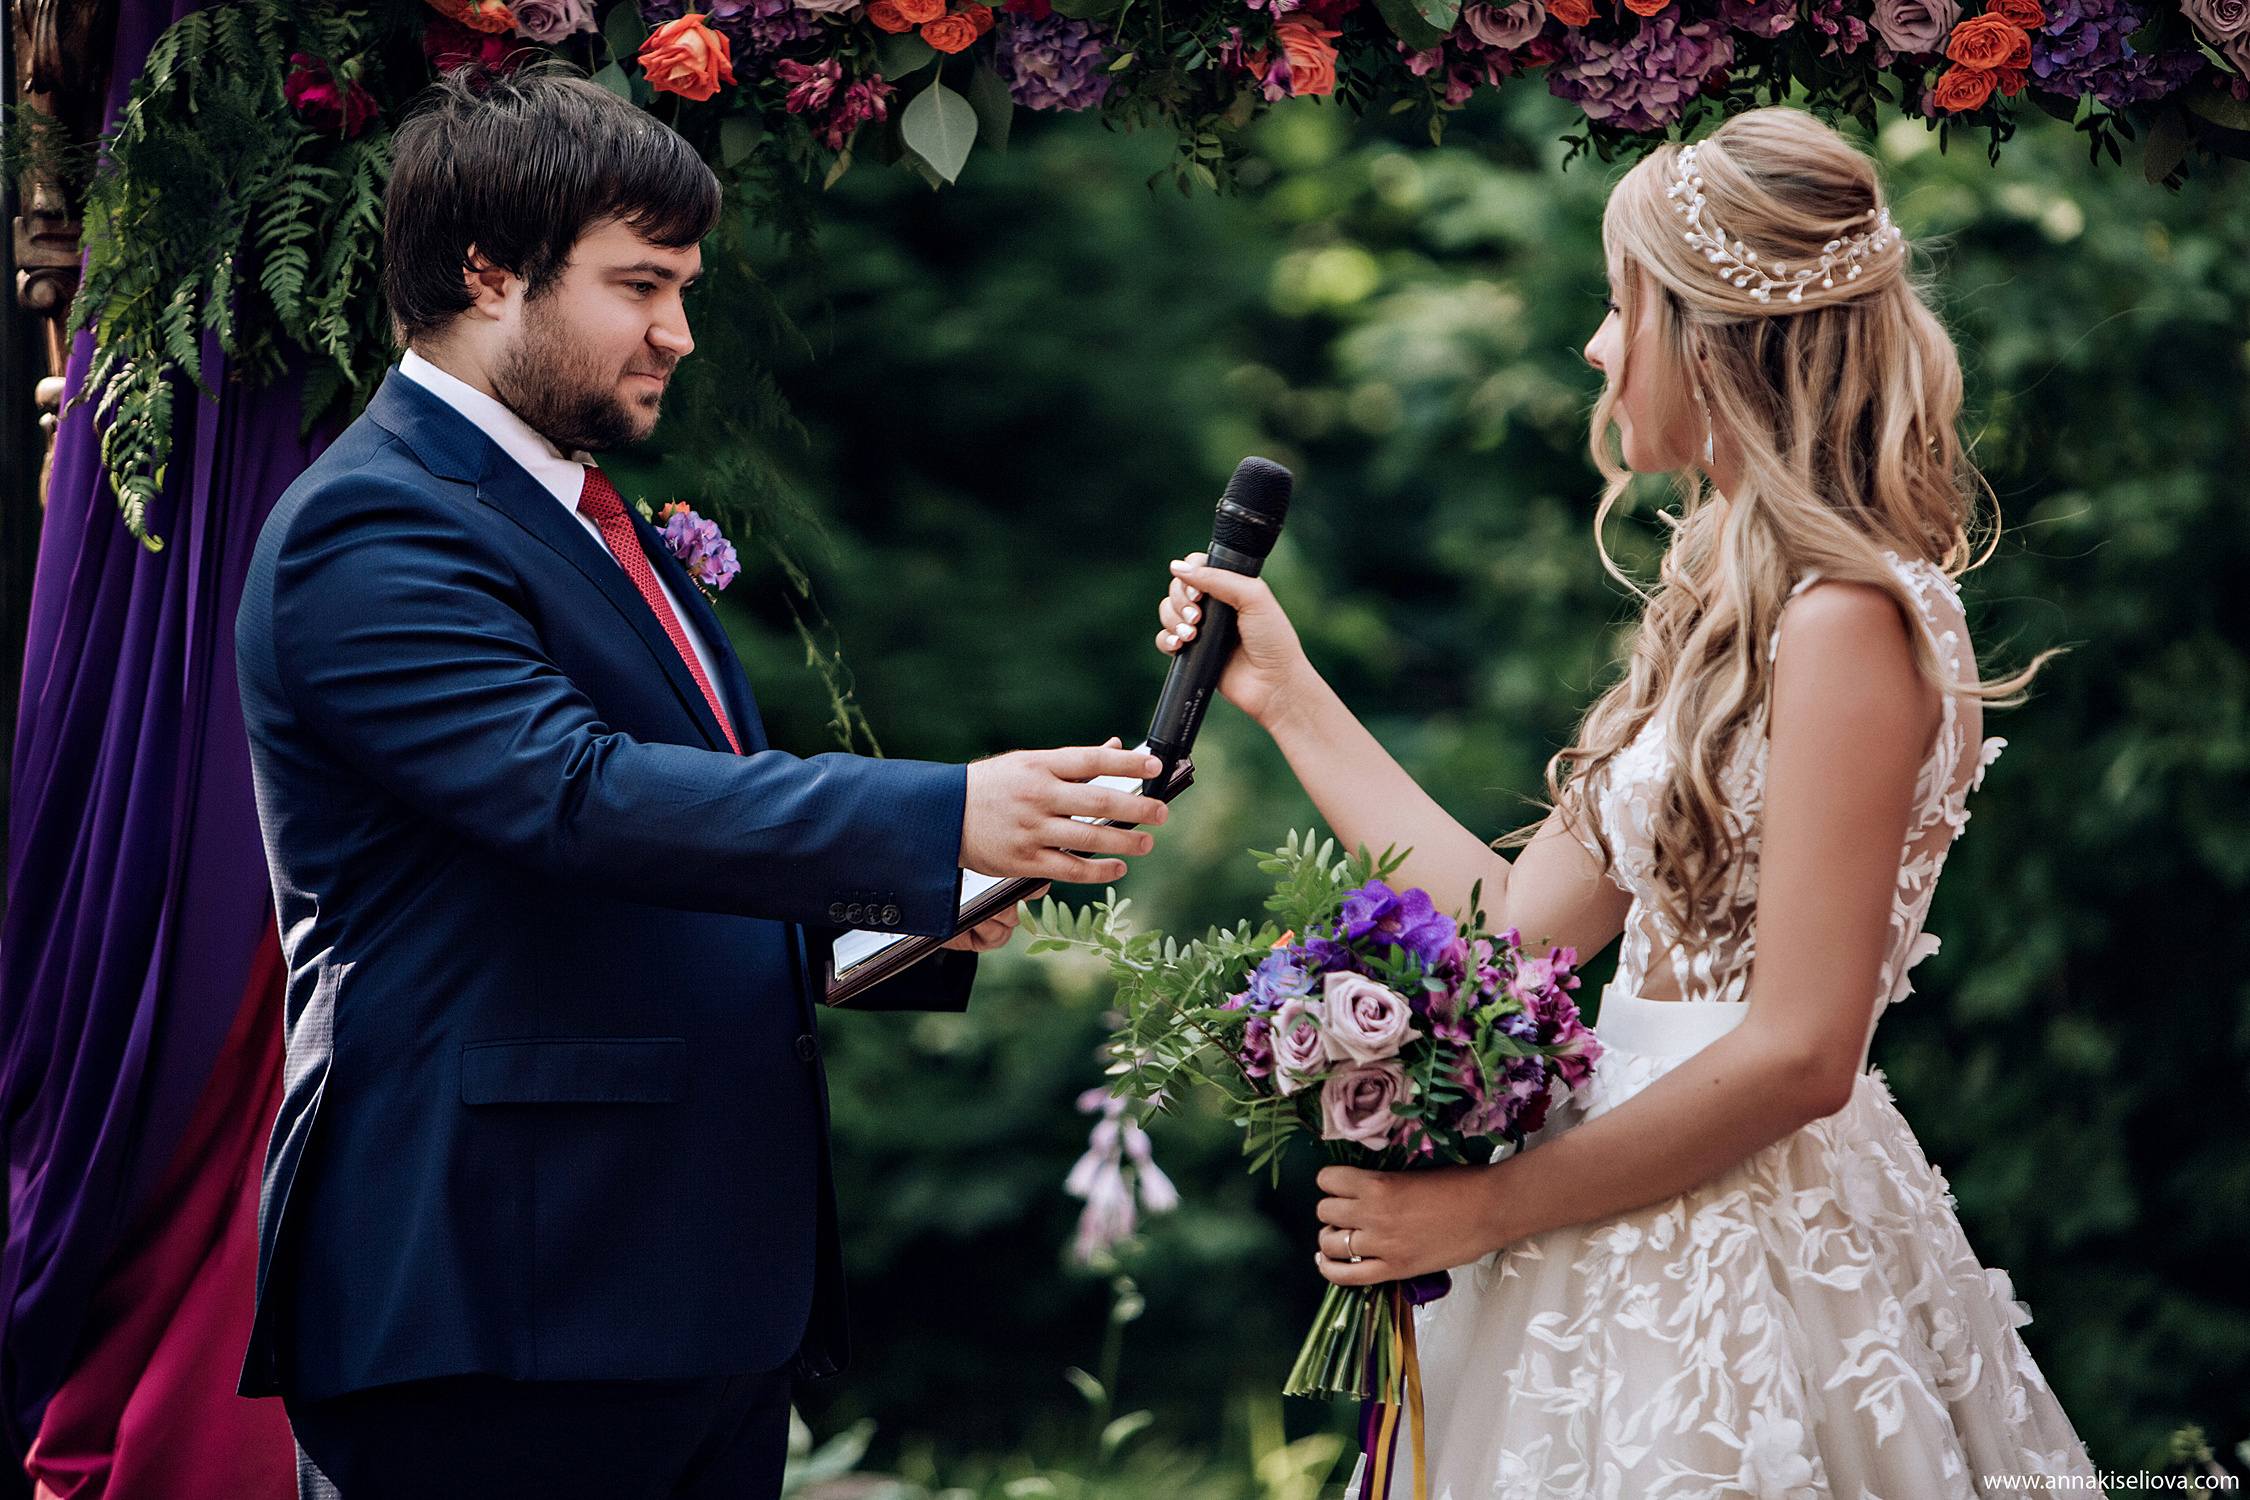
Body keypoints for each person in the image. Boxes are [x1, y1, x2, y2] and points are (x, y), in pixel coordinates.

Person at [234, 71, 1170, 1500]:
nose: (678, 331)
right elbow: (570, 795)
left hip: (684, 1292)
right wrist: (933, 815)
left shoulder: (587, 513)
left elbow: (668, 875)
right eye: (641, 285)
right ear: (489, 272)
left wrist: (909, 915)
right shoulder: (367, 526)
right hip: (499, 1292)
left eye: (683, 286)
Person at [1155, 108, 2104, 1496]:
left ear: (1712, 333)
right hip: (1610, 1202)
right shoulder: (1734, 594)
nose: (1597, 349)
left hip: (1739, 1228)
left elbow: (1796, 1053)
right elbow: (1508, 925)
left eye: (1618, 308)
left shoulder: (1849, 618)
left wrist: (1474, 1211)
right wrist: (1286, 692)